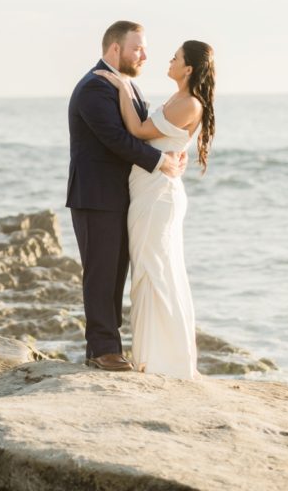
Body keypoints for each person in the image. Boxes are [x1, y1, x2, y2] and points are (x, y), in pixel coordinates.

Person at [66, 20, 186, 372]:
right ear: (115, 48)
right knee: (101, 272)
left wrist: (174, 147)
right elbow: (116, 140)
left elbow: (144, 132)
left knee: (116, 272)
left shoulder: (126, 86)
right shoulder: (93, 87)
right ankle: (101, 350)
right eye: (137, 48)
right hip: (96, 195)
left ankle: (110, 347)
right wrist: (162, 161)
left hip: (122, 196)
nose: (145, 55)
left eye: (144, 48)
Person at [93, 40, 215, 379]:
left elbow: (138, 131)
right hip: (148, 191)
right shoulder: (178, 99)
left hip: (158, 196)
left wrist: (121, 85)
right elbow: (159, 139)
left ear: (188, 69)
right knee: (148, 272)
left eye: (176, 58)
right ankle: (150, 356)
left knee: (157, 272)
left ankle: (167, 363)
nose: (170, 60)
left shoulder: (189, 103)